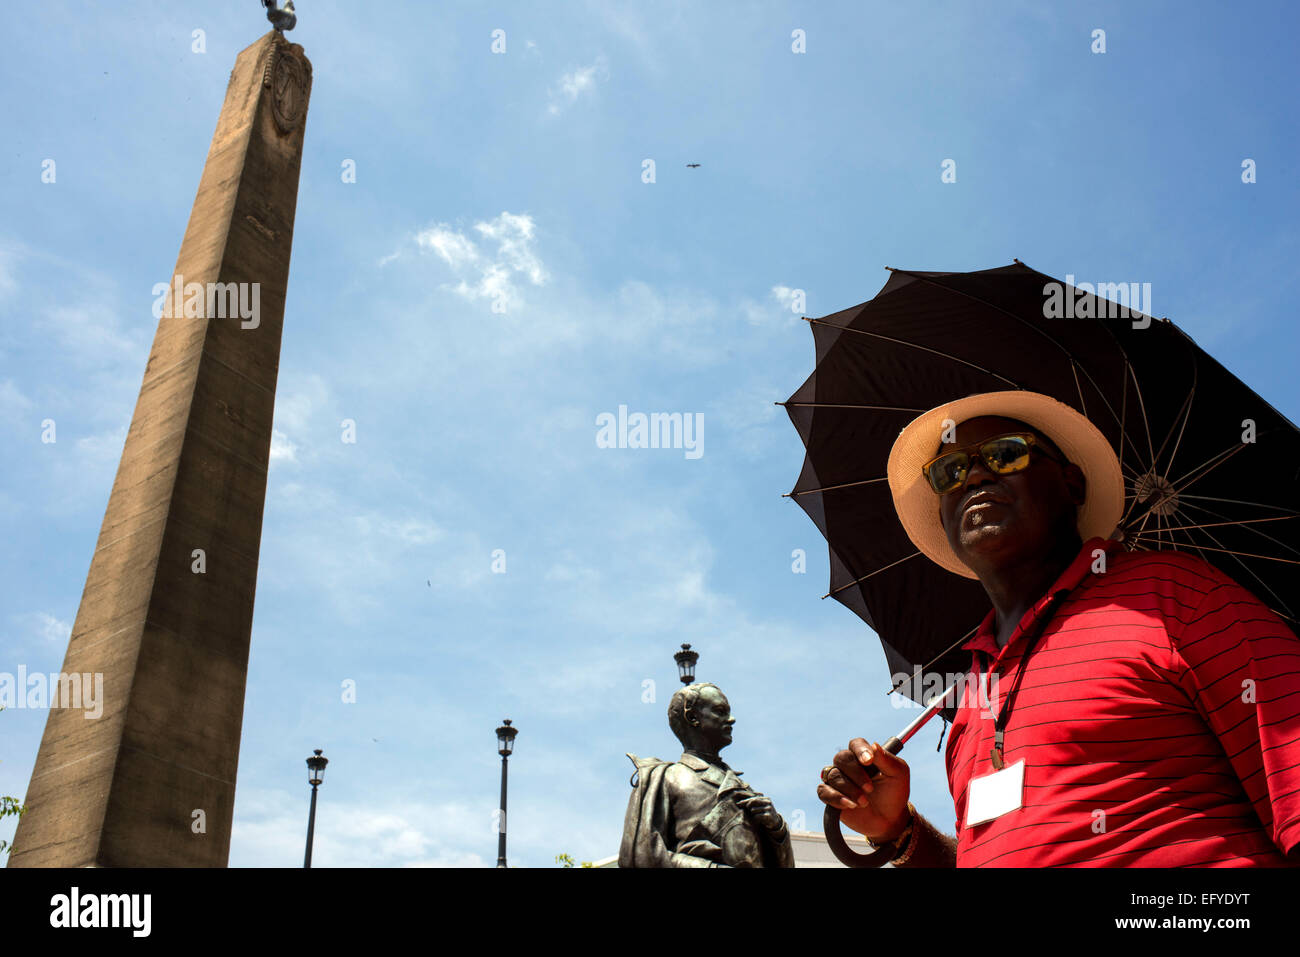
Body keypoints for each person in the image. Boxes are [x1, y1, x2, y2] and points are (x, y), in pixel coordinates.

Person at [816, 390, 1300, 867]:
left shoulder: (1174, 596)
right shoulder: (968, 700)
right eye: (951, 471)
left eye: (1006, 454)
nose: (977, 474)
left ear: (1072, 484)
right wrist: (898, 832)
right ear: (942, 516)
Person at [620, 682, 795, 867]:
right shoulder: (662, 778)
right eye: (720, 711)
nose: (732, 719)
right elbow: (641, 855)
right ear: (693, 717)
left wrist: (777, 830)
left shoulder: (745, 790)